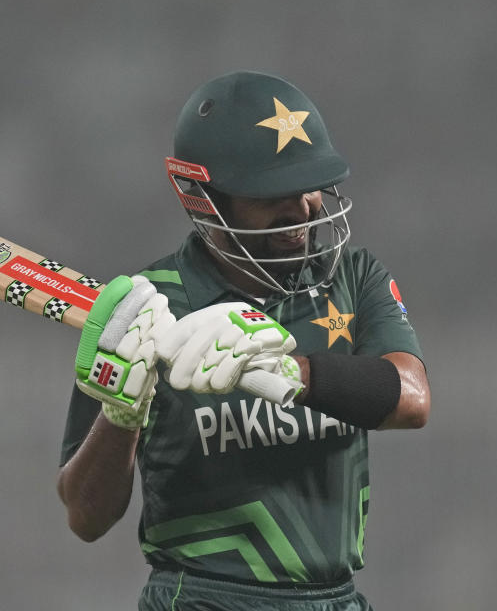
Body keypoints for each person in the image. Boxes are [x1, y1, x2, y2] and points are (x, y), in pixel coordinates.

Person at [57, 70, 431, 610]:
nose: (303, 211)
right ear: (204, 199)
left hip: (337, 600)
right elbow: (84, 517)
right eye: (272, 194)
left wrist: (288, 371)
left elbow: (412, 399)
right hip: (203, 599)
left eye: (308, 185)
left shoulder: (352, 278)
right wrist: (121, 415)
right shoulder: (144, 308)